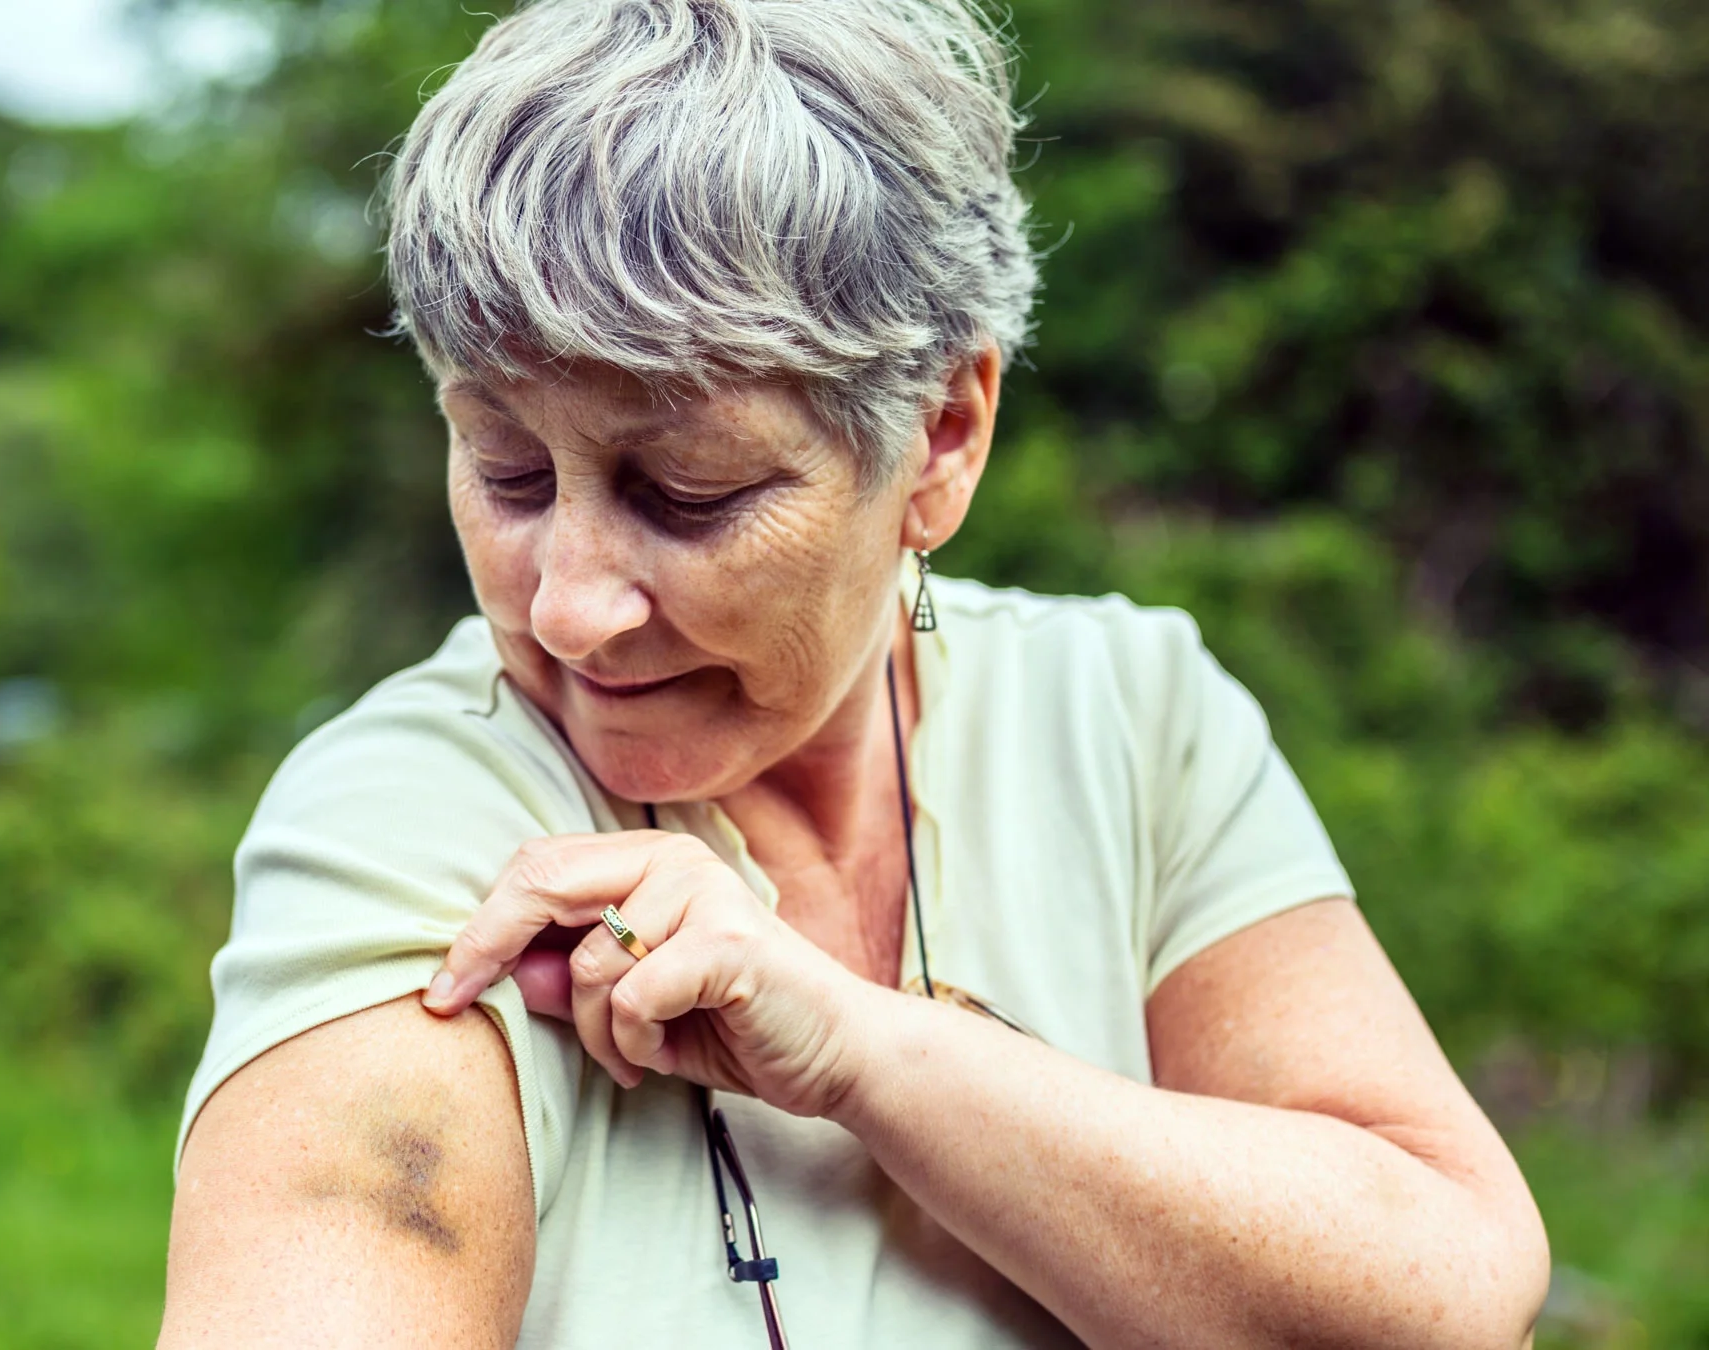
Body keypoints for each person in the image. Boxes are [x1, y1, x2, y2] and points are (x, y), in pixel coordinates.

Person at [158, 0, 1550, 1344]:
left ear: (942, 436)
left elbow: (1448, 1291)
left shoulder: (1127, 711)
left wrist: (867, 1055)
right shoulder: (409, 820)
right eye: (507, 467)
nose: (572, 605)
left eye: (689, 491)